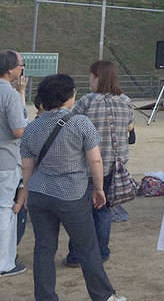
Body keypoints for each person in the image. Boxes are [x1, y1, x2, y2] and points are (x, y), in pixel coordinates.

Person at [19, 74, 125, 301]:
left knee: (44, 248)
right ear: (68, 97)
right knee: (87, 247)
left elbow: (27, 167)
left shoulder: (32, 127)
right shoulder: (80, 122)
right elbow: (96, 160)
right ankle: (104, 295)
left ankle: (45, 297)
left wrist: (28, 193)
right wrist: (99, 188)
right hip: (72, 193)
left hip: (39, 192)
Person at [62, 61, 135, 268]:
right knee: (103, 210)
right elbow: (130, 126)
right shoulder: (126, 101)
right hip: (114, 164)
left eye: (91, 77)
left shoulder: (87, 101)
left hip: (86, 165)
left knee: (81, 211)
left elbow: (69, 123)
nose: (90, 81)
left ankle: (76, 255)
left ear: (98, 78)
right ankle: (101, 253)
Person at [0, 50, 27, 278]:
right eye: (21, 65)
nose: (22, 69)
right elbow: (18, 130)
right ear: (10, 69)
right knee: (4, 212)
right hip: (5, 161)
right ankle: (4, 263)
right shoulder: (8, 94)